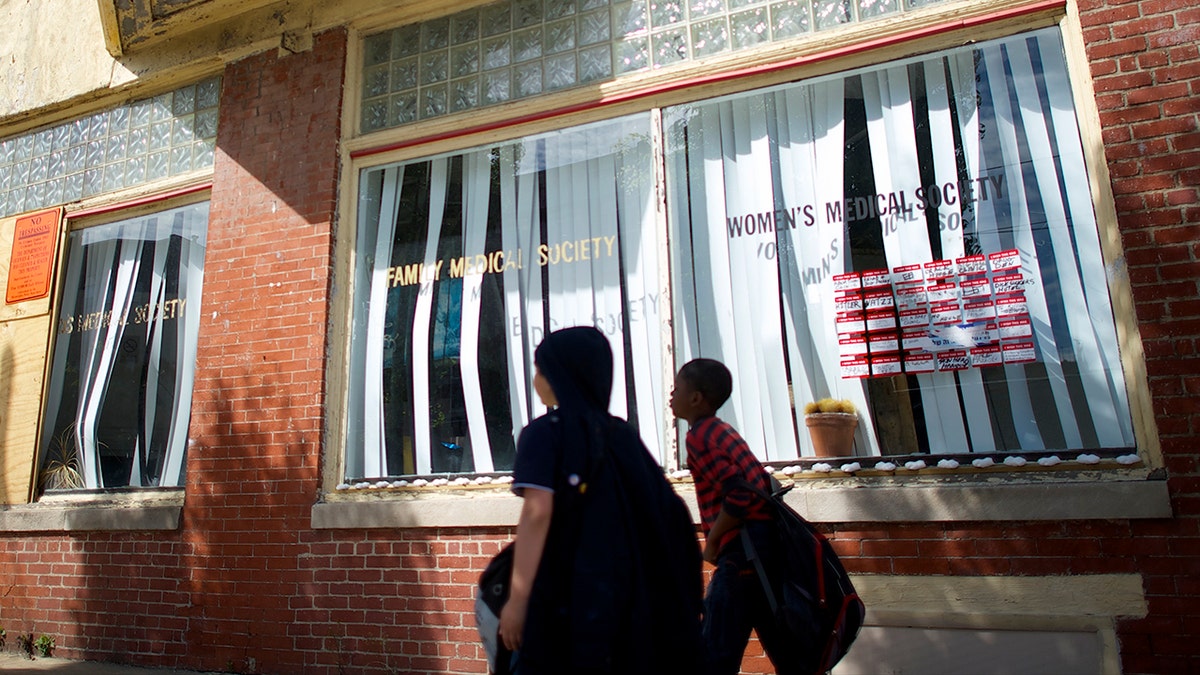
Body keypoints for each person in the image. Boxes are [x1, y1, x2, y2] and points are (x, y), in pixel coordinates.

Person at [499, 326, 704, 675]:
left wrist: (516, 601)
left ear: (560, 375)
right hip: (628, 607)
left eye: (540, 370)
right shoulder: (622, 435)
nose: (536, 379)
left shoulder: (544, 433)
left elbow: (537, 513)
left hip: (564, 606)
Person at [670, 357, 801, 675]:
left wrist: (712, 543)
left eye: (676, 388)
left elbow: (739, 494)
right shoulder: (722, 431)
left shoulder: (699, 437)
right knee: (787, 650)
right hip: (763, 550)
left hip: (742, 553)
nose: (670, 396)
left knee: (713, 653)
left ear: (696, 397)